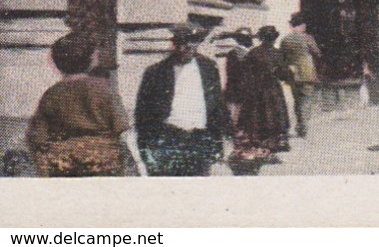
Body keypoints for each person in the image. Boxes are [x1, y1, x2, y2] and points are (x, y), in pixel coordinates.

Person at [26, 34, 130, 177]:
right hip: (102, 161)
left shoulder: (52, 93)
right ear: (91, 60)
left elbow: (36, 135)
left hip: (63, 162)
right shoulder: (104, 89)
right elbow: (121, 125)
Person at [134, 24, 228, 177]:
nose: (187, 47)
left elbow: (217, 104)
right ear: (175, 44)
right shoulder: (156, 72)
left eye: (192, 42)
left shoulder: (208, 67)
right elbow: (142, 112)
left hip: (199, 139)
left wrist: (218, 142)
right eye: (182, 43)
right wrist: (144, 147)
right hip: (168, 139)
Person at [223, 27, 290, 174]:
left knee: (256, 119)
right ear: (274, 38)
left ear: (260, 38)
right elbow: (285, 74)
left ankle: (257, 148)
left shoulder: (253, 53)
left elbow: (247, 73)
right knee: (272, 118)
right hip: (272, 91)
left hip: (256, 91)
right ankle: (267, 149)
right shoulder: (278, 53)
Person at [277, 12, 320, 138]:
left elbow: (282, 57)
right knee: (306, 100)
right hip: (307, 73)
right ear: (302, 25)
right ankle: (303, 126)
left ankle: (300, 124)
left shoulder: (285, 40)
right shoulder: (307, 38)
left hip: (293, 73)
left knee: (297, 100)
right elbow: (317, 52)